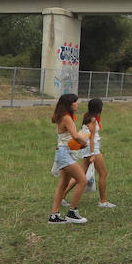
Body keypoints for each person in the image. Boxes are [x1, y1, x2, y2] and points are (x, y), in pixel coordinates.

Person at [48, 94, 90, 225]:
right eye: (75, 102)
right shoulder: (66, 117)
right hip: (64, 154)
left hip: (62, 152)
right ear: (69, 104)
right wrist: (85, 143)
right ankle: (72, 212)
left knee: (63, 184)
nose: (77, 104)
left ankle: (54, 216)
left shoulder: (63, 116)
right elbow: (75, 136)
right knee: (82, 180)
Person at [79, 97, 114, 209]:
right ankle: (103, 201)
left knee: (80, 175)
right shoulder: (93, 120)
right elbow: (92, 137)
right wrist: (93, 154)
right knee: (103, 173)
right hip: (92, 149)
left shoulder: (86, 116)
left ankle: (63, 196)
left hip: (87, 148)